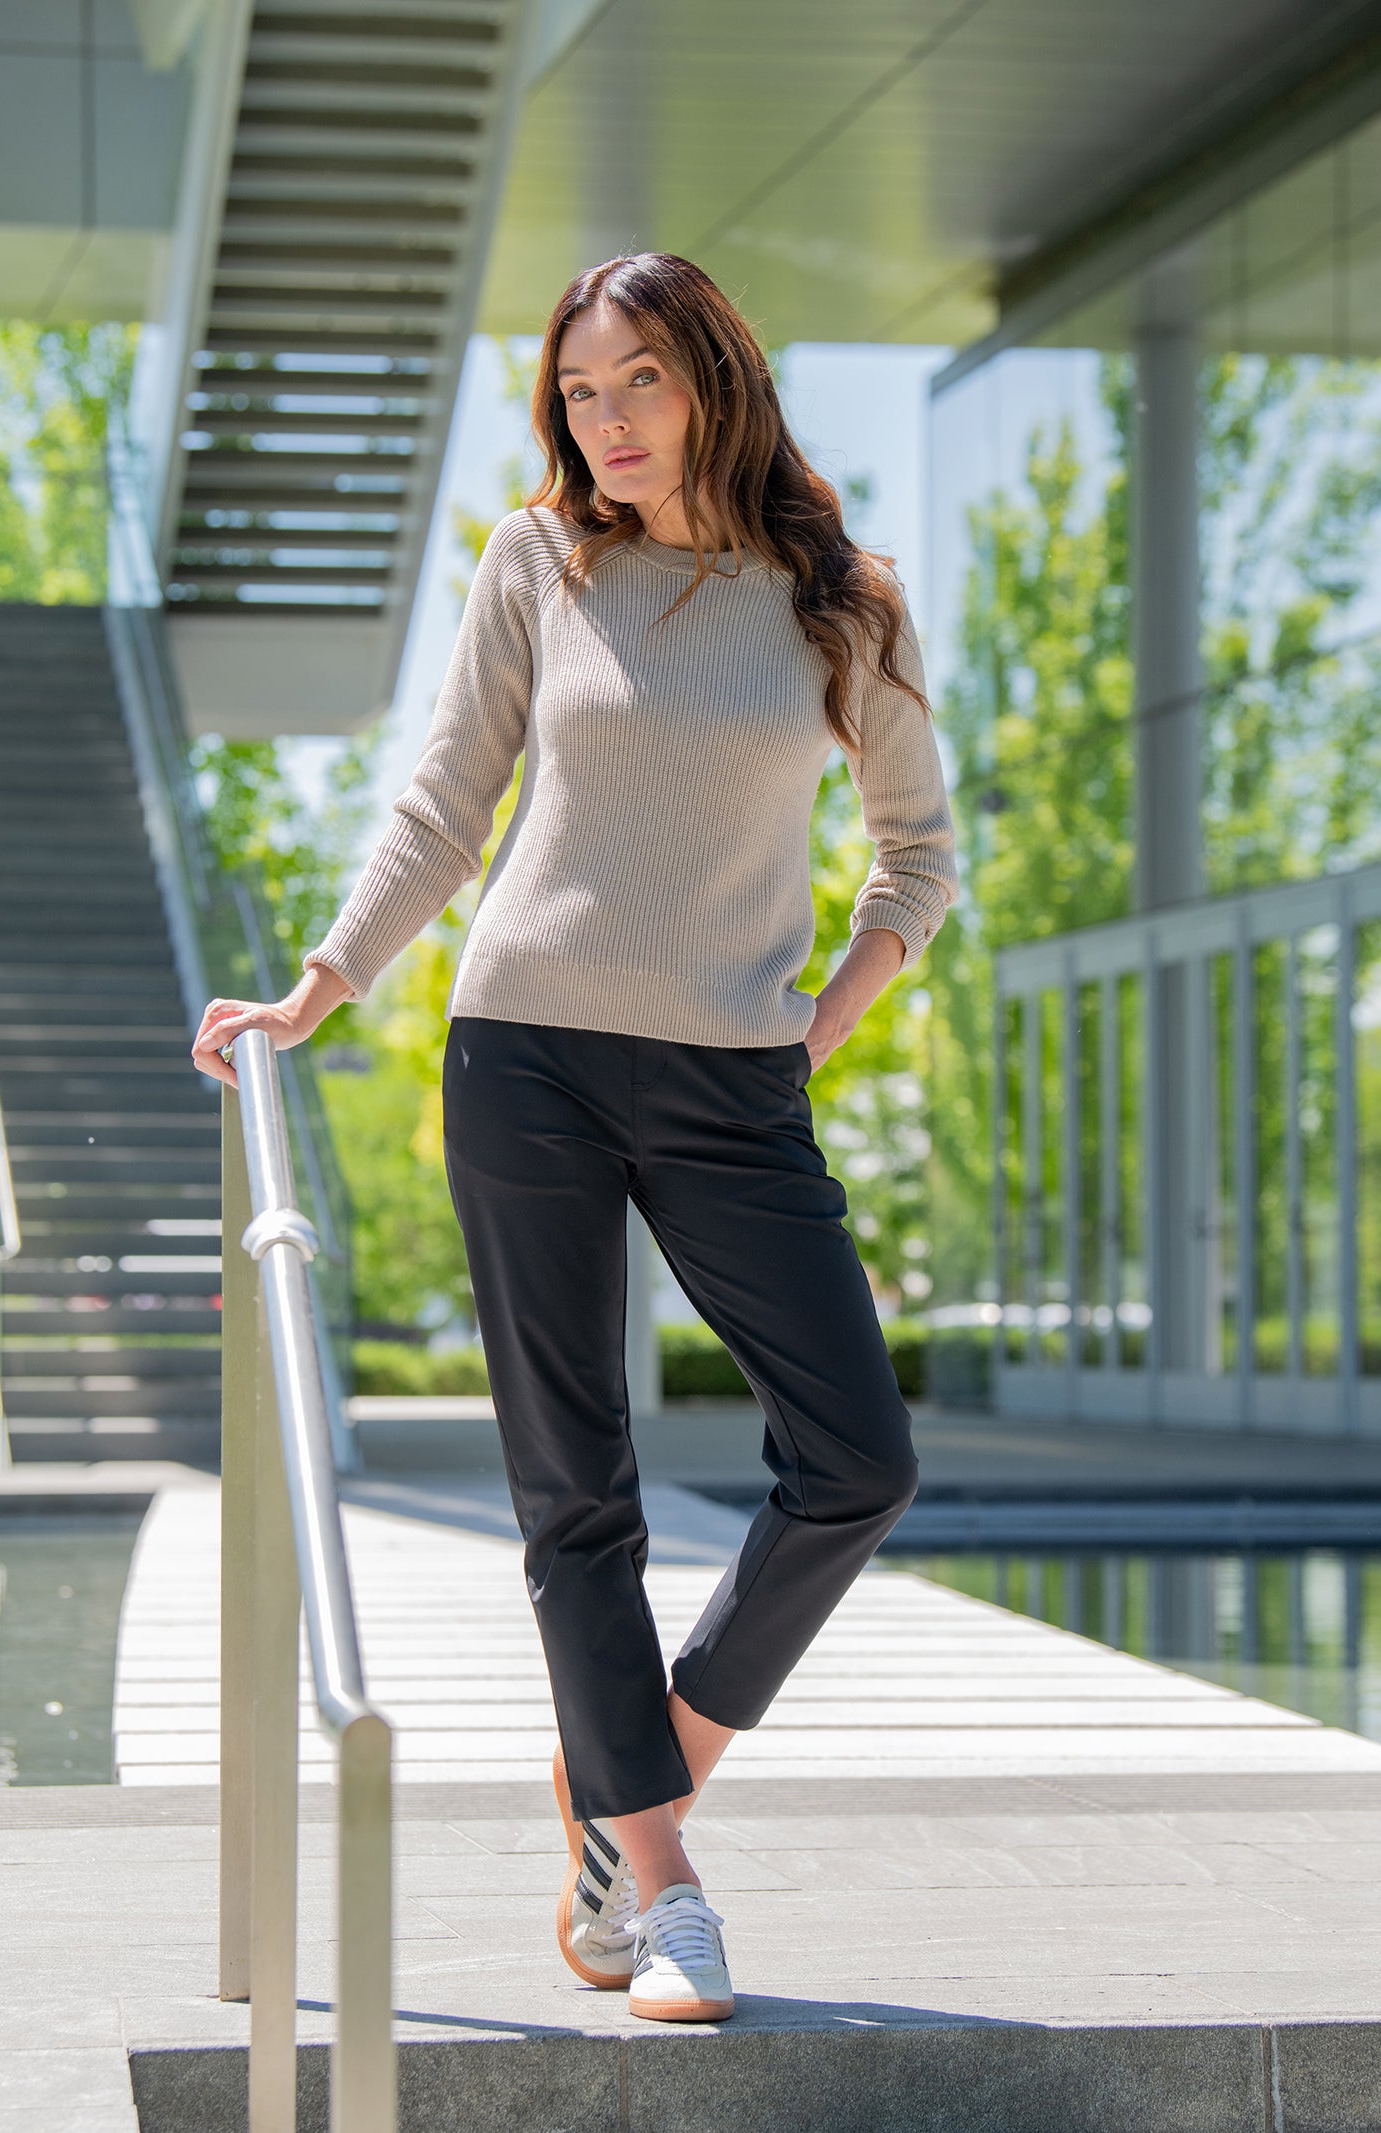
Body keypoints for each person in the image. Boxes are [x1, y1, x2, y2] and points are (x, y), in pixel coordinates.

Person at [192, 251, 958, 2024]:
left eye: (639, 384)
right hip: (523, 1052)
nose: (605, 422)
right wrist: (317, 988)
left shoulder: (842, 597)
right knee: (575, 1489)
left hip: (732, 1083)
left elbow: (918, 862)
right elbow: (449, 798)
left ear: (714, 379)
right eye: (580, 393)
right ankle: (664, 1889)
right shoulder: (537, 560)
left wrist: (809, 1031)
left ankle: (636, 1763)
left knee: (859, 1460)